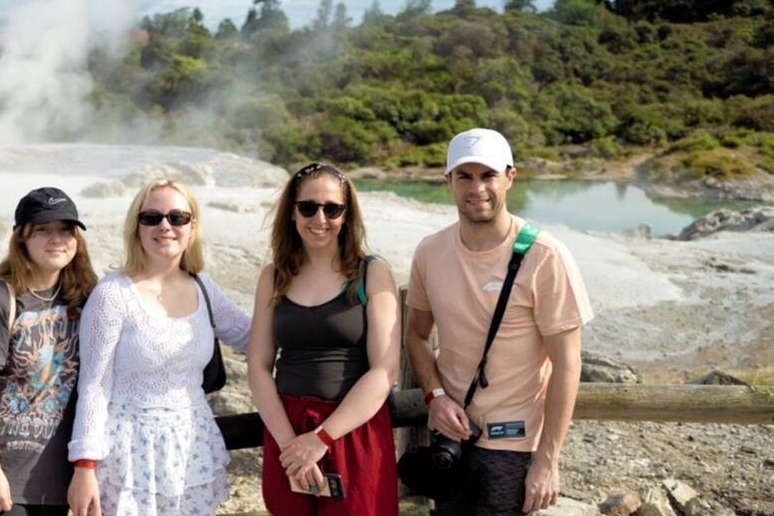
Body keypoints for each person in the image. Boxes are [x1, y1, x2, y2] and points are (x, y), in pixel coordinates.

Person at [405, 128, 593, 515]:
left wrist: (547, 461)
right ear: (448, 182)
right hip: (452, 441)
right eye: (465, 176)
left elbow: (568, 364)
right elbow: (417, 336)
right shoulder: (430, 251)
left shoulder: (545, 256)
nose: (477, 188)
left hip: (514, 448)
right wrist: (435, 398)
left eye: (488, 175)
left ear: (510, 177)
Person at [67, 179, 251, 516]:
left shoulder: (203, 286)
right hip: (127, 454)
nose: (165, 226)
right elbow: (93, 385)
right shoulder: (113, 293)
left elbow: (250, 336)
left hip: (192, 446)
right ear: (136, 227)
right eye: (151, 217)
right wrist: (84, 465)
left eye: (177, 217)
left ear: (192, 226)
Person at [247, 162, 400, 515]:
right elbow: (257, 367)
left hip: (351, 429)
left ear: (346, 215)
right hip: (286, 429)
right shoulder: (273, 277)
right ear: (292, 213)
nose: (320, 218)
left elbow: (385, 371)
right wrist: (293, 448)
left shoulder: (371, 272)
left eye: (332, 208)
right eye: (308, 207)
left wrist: (321, 439)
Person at [0, 187, 98, 516]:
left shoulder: (83, 297)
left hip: (55, 478)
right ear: (21, 238)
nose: (56, 239)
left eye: (65, 229)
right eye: (43, 229)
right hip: (2, 476)